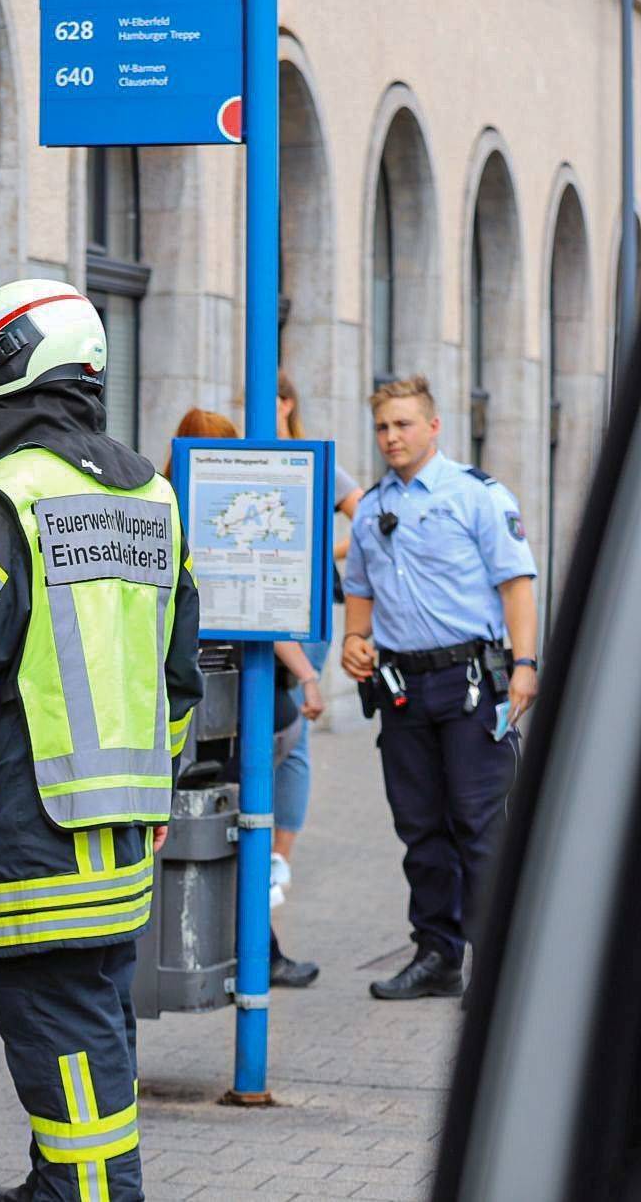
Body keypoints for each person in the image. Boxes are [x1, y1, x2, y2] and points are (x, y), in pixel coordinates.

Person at [0, 279, 201, 1202]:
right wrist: (155, 791)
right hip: (122, 835)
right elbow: (178, 673)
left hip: (33, 830)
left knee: (62, 1043)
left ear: (6, 367)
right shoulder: (152, 492)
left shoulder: (5, 495)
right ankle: (53, 1184)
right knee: (96, 1023)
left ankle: (90, 1194)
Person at [341, 374, 538, 1000]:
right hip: (402, 689)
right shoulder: (371, 507)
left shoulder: (476, 496)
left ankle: (500, 965)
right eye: (382, 427)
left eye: (403, 424)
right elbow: (360, 590)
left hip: (472, 682)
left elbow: (516, 584)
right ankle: (437, 955)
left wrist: (526, 664)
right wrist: (353, 641)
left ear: (433, 426)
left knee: (479, 826)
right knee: (420, 829)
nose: (392, 437)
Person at [164, 407, 326, 987]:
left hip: (184, 710)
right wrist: (308, 678)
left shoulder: (159, 511)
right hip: (232, 711)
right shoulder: (209, 518)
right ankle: (259, 952)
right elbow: (268, 620)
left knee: (227, 828)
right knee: (243, 826)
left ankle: (256, 950)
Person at [271, 370, 364, 908]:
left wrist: (323, 553)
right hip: (257, 609)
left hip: (307, 609)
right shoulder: (248, 455)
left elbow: (369, 516)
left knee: (295, 733)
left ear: (287, 403)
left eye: (269, 397)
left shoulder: (314, 460)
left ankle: (282, 855)